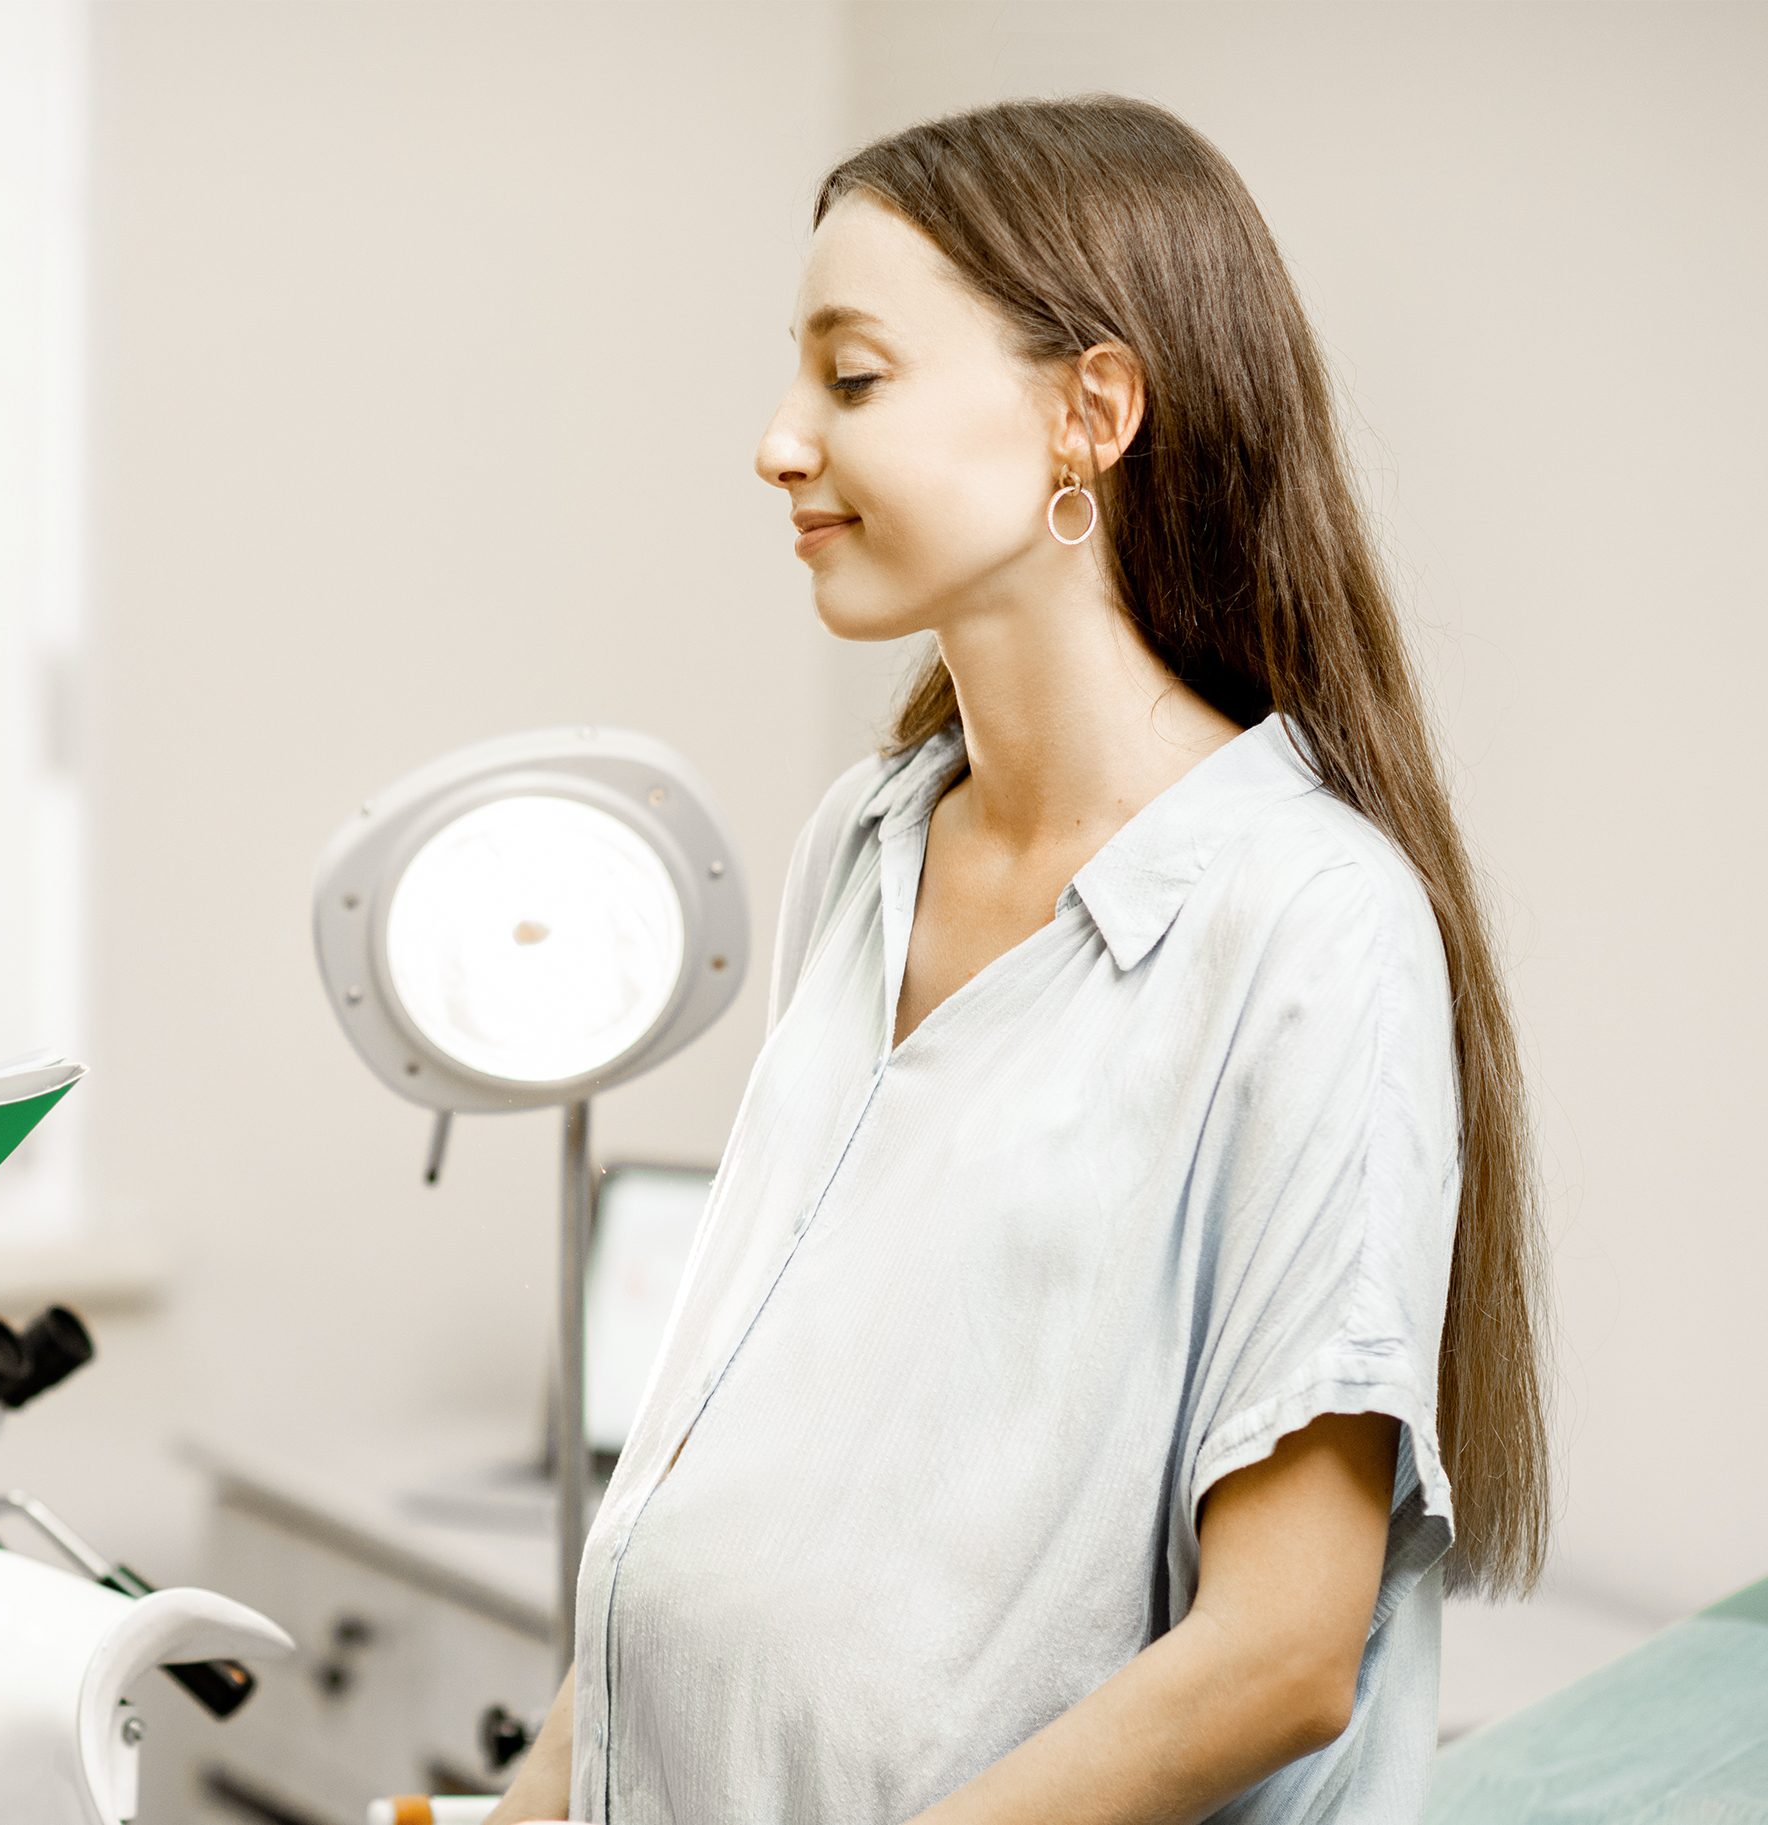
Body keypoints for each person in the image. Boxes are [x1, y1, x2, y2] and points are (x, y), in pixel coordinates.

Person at [487, 97, 1546, 1825]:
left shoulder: (1309, 925)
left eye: (853, 376)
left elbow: (1282, 1654)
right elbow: (722, 1455)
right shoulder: (866, 842)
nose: (777, 442)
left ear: (1092, 412)